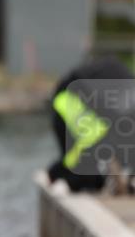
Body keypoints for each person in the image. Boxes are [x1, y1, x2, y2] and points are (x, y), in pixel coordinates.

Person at [47, 55, 135, 193]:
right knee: (84, 160)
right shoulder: (121, 115)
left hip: (94, 91)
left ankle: (67, 174)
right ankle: (57, 175)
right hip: (68, 95)